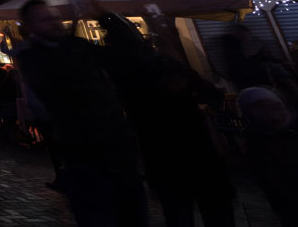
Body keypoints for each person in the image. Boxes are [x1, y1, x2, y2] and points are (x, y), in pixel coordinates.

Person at [17, 0, 147, 227]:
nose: (55, 23)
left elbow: (130, 54)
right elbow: (65, 81)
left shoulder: (76, 46)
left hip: (120, 155)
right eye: (45, 20)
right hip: (85, 161)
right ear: (29, 27)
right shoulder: (33, 58)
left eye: (55, 18)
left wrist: (104, 16)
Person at [101, 12, 234, 227]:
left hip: (162, 158)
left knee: (179, 214)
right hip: (196, 150)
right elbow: (210, 94)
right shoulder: (165, 66)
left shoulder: (123, 79)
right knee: (214, 212)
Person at [238, 86, 298, 225]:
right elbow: (277, 189)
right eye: (263, 106)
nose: (272, 110)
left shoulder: (290, 135)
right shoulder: (258, 147)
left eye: (274, 105)